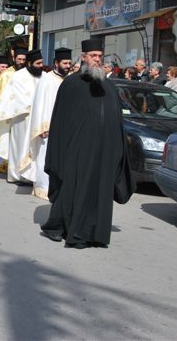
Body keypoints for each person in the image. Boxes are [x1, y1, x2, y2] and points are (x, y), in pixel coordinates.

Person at [40, 38, 134, 249]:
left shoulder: (108, 86)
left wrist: (118, 150)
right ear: (83, 58)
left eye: (100, 56)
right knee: (71, 190)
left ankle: (93, 233)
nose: (97, 60)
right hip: (77, 151)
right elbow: (60, 121)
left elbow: (116, 121)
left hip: (103, 152)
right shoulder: (71, 84)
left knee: (99, 191)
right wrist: (60, 153)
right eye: (93, 56)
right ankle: (56, 227)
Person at [0, 49, 43, 183]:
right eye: (38, 63)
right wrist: (33, 105)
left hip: (37, 118)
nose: (41, 66)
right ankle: (16, 175)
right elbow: (14, 97)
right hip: (21, 118)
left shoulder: (43, 76)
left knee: (34, 147)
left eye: (42, 63)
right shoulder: (18, 76)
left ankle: (32, 175)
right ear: (30, 64)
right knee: (18, 146)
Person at [24, 48, 71, 200]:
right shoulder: (47, 79)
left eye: (69, 63)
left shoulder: (70, 79)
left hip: (65, 127)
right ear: (56, 63)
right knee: (44, 157)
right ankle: (42, 187)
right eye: (65, 63)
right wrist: (42, 126)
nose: (68, 66)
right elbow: (40, 104)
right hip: (48, 127)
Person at [0, 47, 28, 172]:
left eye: (23, 59)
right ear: (14, 59)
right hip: (7, 112)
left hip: (21, 112)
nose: (21, 61)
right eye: (19, 59)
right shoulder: (6, 74)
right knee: (6, 138)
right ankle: (3, 163)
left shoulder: (28, 73)